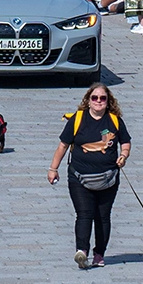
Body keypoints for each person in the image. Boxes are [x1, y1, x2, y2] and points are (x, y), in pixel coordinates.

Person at [47, 83, 131, 269]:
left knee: (102, 216)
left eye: (103, 98)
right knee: (84, 214)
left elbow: (125, 142)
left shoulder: (115, 121)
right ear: (88, 100)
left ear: (108, 101)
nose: (99, 101)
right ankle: (82, 251)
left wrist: (123, 156)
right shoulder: (77, 119)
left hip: (108, 177)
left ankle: (99, 253)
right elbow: (63, 145)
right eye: (95, 98)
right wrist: (53, 168)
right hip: (79, 176)